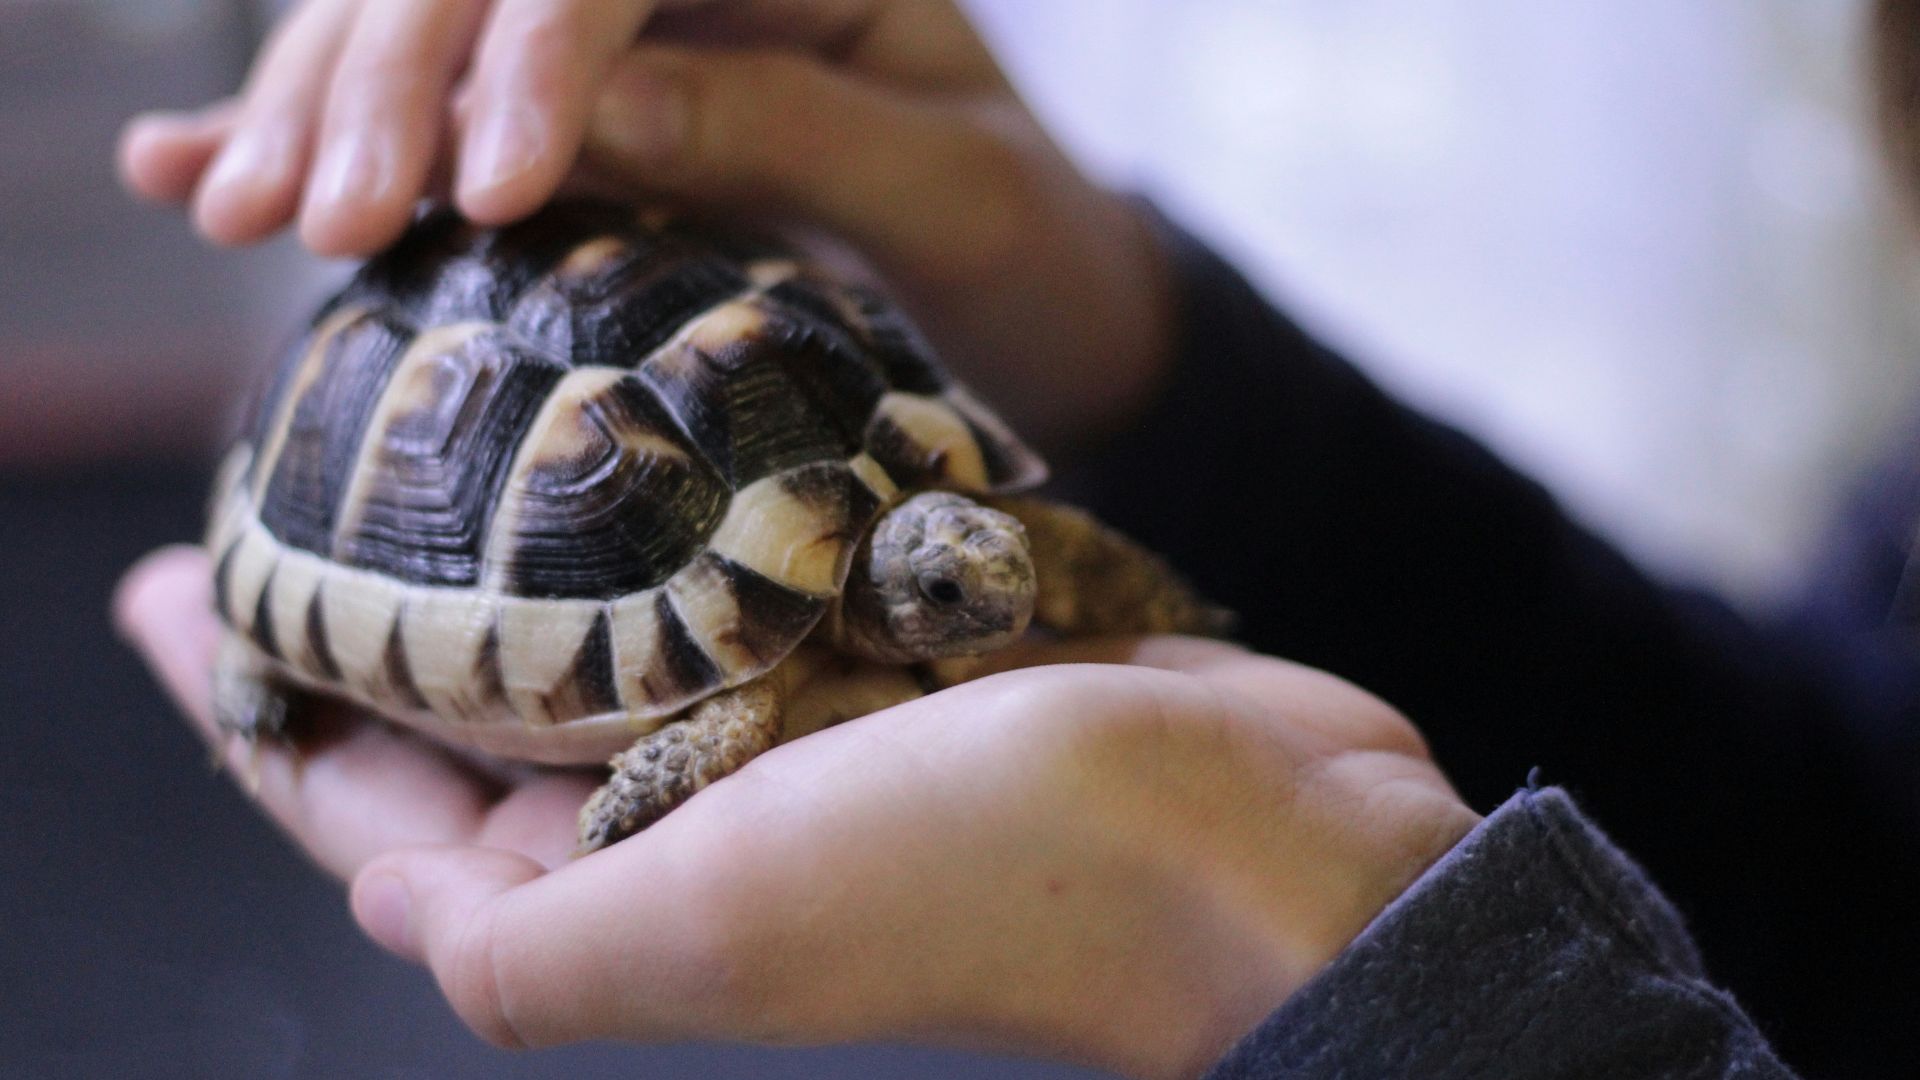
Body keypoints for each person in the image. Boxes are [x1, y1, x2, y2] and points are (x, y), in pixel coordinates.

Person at [114, 1, 1920, 1076]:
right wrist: (1146, 354)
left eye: (979, 573)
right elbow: (1851, 855)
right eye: (957, 576)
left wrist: (1359, 967)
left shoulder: (887, 601)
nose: (986, 593)